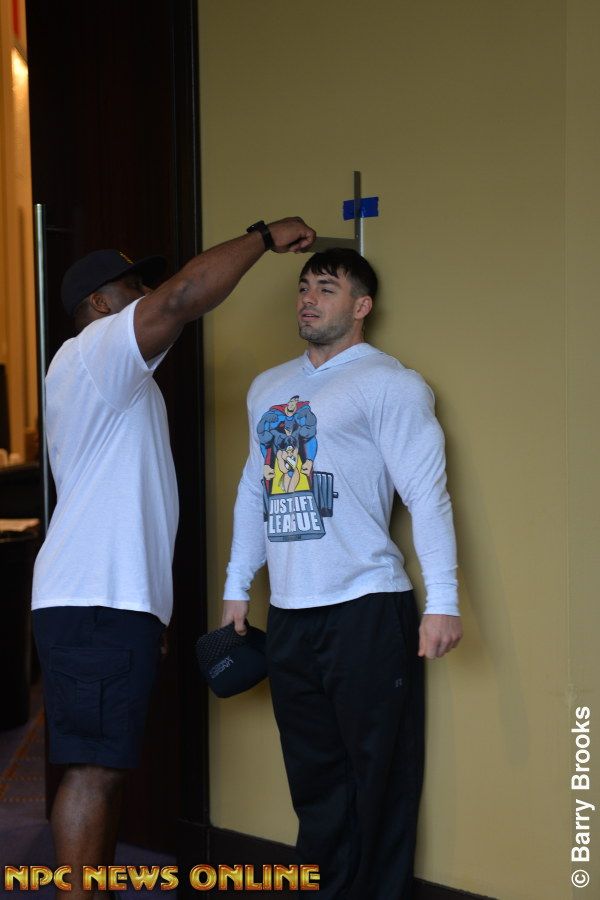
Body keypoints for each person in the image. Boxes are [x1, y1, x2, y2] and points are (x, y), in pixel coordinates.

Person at [31, 216, 316, 899]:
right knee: (93, 771)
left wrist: (148, 612)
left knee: (105, 769)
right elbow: (184, 296)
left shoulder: (115, 379)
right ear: (99, 303)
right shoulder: (95, 352)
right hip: (94, 600)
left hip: (109, 602)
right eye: (133, 285)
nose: (146, 293)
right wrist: (261, 237)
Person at [221, 247, 462, 899]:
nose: (308, 299)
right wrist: (237, 585)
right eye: (304, 287)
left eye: (326, 288)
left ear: (361, 306)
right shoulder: (267, 387)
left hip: (367, 605)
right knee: (315, 779)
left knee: (380, 776)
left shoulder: (390, 383)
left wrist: (443, 600)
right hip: (290, 613)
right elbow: (254, 489)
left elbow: (426, 494)